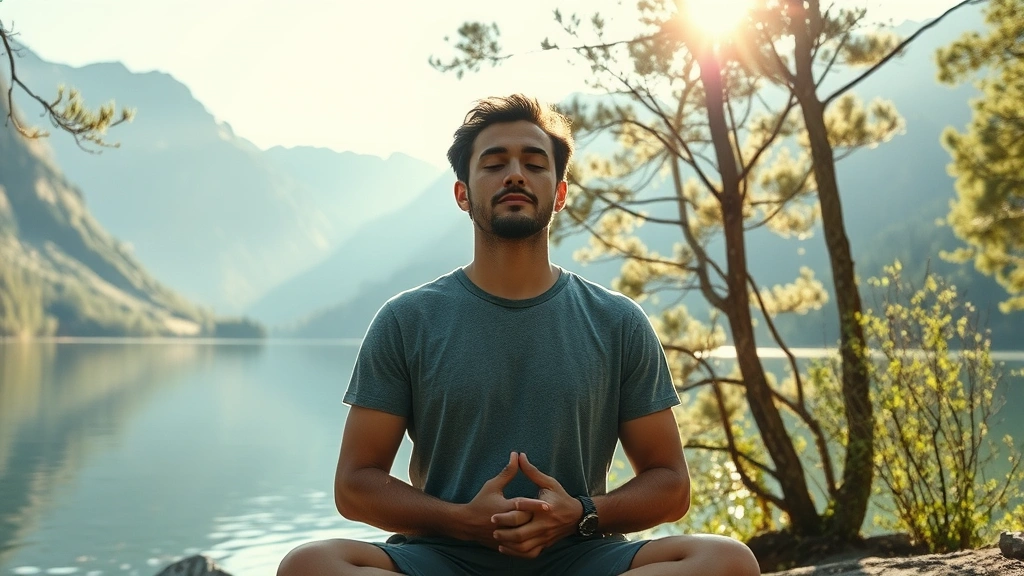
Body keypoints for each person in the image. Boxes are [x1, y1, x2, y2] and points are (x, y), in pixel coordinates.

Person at [277, 94, 761, 576]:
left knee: (728, 561)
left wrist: (580, 515)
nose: (515, 175)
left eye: (534, 163)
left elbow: (671, 485)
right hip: (443, 556)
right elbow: (355, 485)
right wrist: (461, 522)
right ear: (462, 193)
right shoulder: (407, 320)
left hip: (581, 557)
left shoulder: (617, 322)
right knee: (309, 565)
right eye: (494, 164)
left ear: (560, 194)